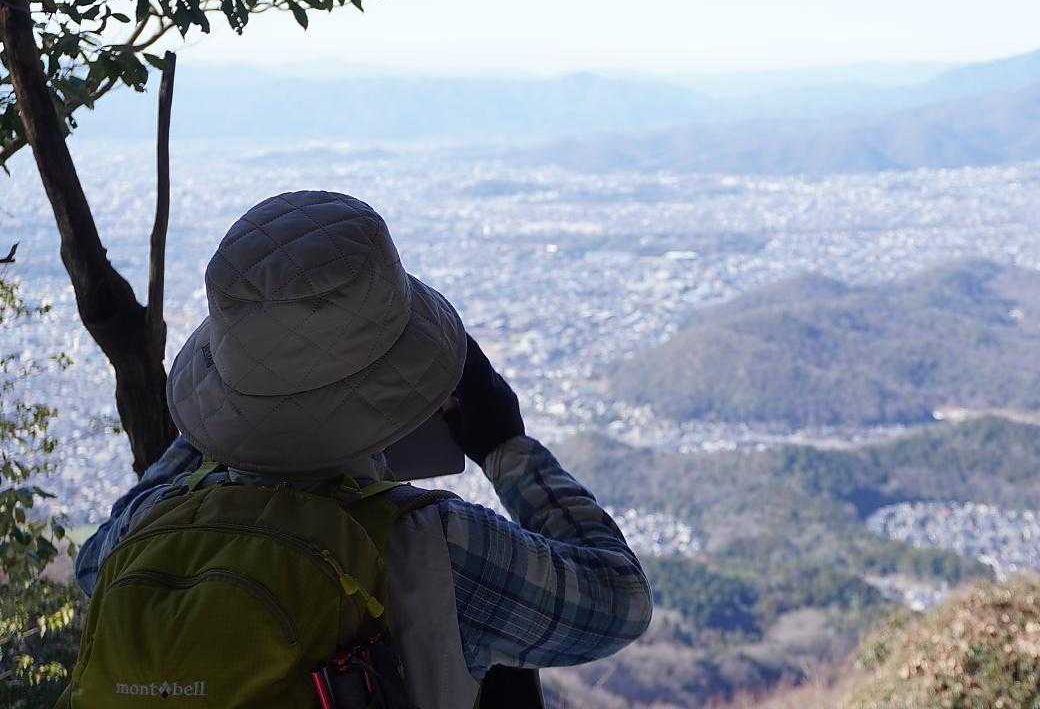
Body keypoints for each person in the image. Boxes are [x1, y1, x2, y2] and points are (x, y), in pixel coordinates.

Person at [73, 190, 653, 707]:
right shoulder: (433, 548)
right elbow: (618, 601)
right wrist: (507, 448)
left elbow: (90, 565)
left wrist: (219, 427)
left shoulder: (145, 524)